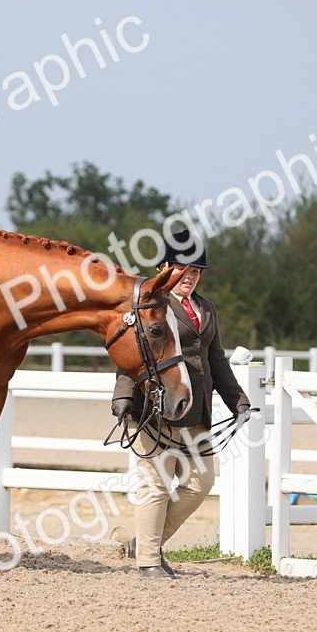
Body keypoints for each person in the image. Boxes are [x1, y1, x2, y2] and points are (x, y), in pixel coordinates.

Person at [110, 229, 250, 578]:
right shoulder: (150, 303)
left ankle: (143, 545)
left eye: (196, 271)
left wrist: (237, 399)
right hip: (155, 409)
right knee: (155, 484)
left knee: (200, 484)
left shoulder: (206, 309)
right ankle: (147, 561)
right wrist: (124, 395)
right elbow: (134, 355)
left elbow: (216, 359)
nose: (191, 276)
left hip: (196, 411)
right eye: (184, 269)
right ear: (165, 268)